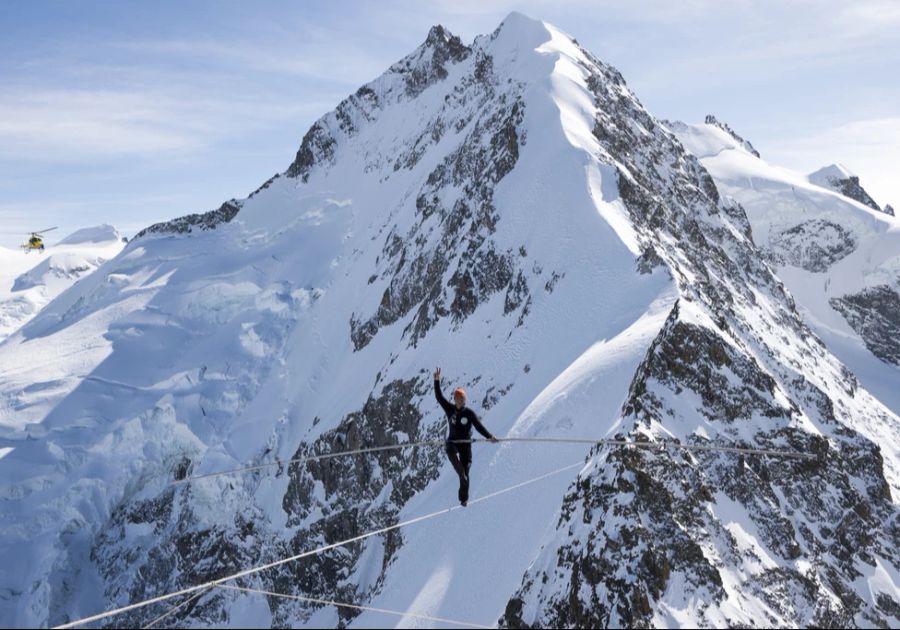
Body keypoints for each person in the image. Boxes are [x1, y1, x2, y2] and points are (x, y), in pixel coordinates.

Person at [433, 367, 498, 506]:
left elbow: (478, 426)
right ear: (454, 399)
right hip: (453, 443)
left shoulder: (469, 413)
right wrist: (436, 381)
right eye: (457, 398)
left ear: (464, 400)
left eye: (461, 398)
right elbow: (439, 397)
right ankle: (460, 471)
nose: (459, 400)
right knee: (450, 451)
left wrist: (489, 436)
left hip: (465, 444)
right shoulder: (450, 409)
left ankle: (463, 499)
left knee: (465, 477)